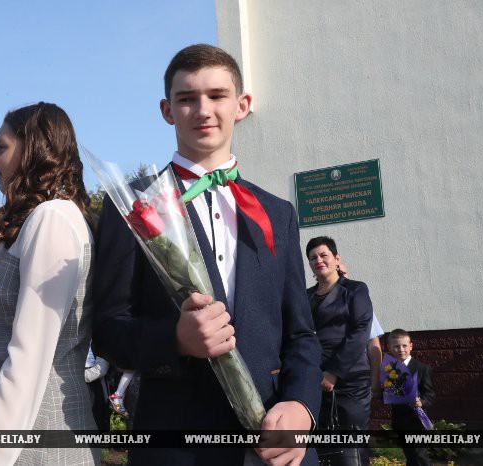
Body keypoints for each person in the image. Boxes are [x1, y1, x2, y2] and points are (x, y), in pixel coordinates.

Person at [92, 44, 322, 466]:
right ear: (167, 110)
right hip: (176, 445)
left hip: (274, 443)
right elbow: (107, 329)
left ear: (242, 105)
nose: (203, 110)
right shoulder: (133, 206)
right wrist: (174, 339)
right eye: (187, 99)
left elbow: (301, 334)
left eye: (217, 95)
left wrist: (301, 406)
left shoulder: (278, 213)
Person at [0, 102, 98, 466]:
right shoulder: (42, 219)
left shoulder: (52, 218)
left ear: (33, 148)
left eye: (2, 147)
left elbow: (28, 356)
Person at [306, 237, 373, 465]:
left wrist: (334, 372)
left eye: (323, 255)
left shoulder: (355, 289)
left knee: (352, 448)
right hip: (315, 380)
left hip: (350, 381)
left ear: (336, 259)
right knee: (324, 447)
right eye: (313, 258)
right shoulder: (305, 297)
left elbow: (360, 331)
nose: (318, 260)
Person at [387, 328, 435, 466]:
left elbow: (430, 394)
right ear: (390, 348)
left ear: (411, 346)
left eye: (404, 345)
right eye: (396, 346)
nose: (401, 349)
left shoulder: (422, 369)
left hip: (417, 421)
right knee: (411, 456)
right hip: (400, 421)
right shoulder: (389, 369)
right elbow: (389, 392)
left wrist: (421, 402)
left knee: (420, 456)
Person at [339, 262, 384, 395]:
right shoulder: (314, 302)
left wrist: (375, 380)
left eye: (343, 274)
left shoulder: (361, 307)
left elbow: (373, 345)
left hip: (356, 376)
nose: (341, 278)